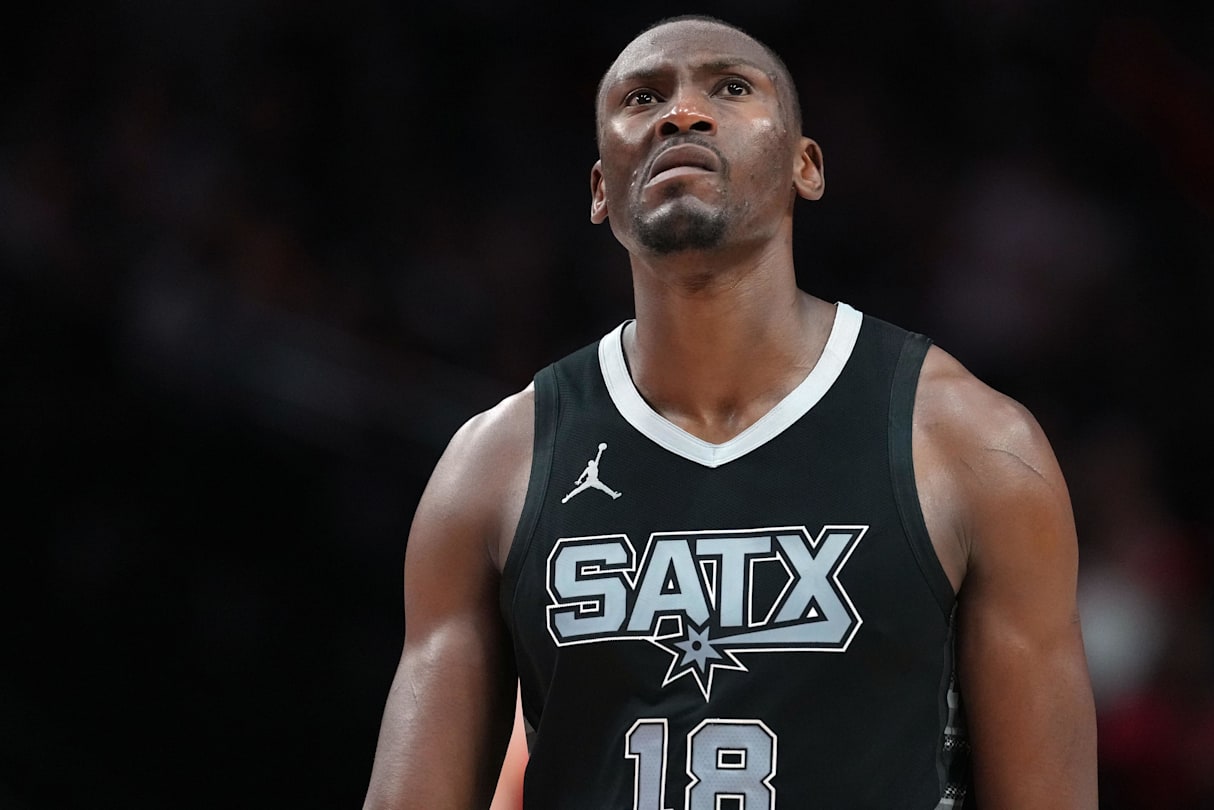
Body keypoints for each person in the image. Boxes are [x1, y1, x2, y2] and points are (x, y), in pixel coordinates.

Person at [362, 14, 1096, 809]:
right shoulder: (494, 464)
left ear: (805, 166)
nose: (682, 113)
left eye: (732, 88)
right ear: (602, 189)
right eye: (643, 97)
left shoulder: (972, 443)